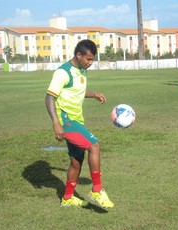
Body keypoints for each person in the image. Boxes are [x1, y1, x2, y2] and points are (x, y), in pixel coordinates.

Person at [45, 39, 114, 209]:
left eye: (93, 60)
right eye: (88, 59)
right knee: (94, 145)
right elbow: (49, 97)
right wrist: (56, 123)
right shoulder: (63, 72)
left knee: (76, 160)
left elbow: (76, 92)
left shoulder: (82, 70)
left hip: (76, 119)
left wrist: (94, 94)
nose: (91, 63)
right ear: (78, 55)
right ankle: (97, 190)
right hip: (66, 120)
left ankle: (67, 198)